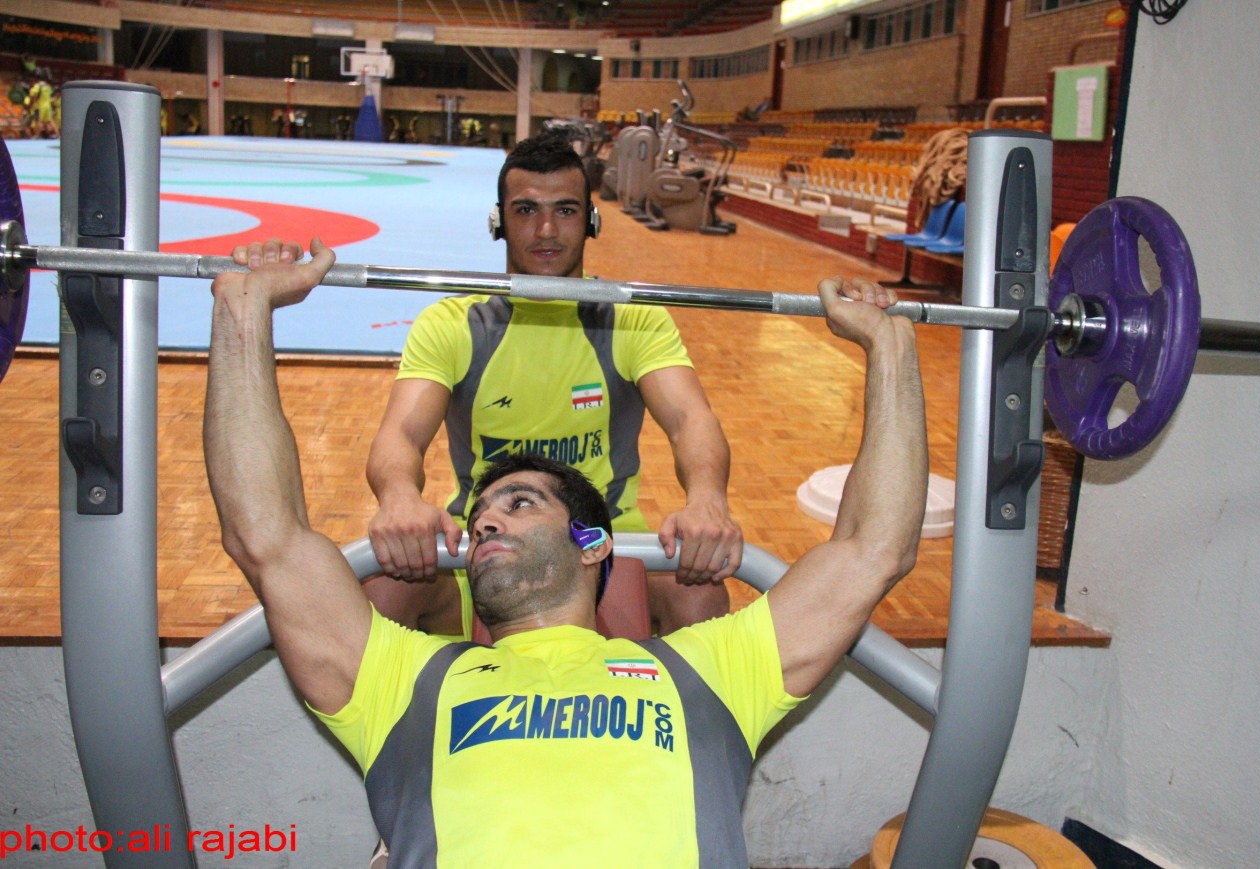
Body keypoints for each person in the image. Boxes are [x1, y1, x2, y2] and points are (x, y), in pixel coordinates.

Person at [204, 238, 927, 864]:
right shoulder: (404, 681)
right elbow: (267, 537)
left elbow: (873, 549)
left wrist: (890, 345)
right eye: (481, 514)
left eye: (519, 503)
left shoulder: (705, 671)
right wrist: (245, 310)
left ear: (592, 544)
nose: (486, 523)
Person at [361, 132, 741, 637]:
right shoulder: (453, 323)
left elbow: (690, 419)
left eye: (565, 210)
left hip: (600, 541)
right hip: (490, 539)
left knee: (699, 594)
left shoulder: (632, 320)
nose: (546, 230)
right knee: (386, 589)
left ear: (591, 221)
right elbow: (402, 434)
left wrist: (708, 498)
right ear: (498, 221)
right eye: (525, 210)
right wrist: (398, 496)